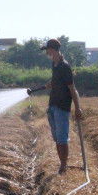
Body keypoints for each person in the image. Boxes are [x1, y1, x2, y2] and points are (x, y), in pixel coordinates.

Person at [41, 38, 82, 175]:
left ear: (52, 50)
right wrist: (50, 83)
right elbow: (57, 80)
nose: (46, 52)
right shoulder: (55, 64)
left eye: (47, 50)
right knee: (57, 139)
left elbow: (73, 89)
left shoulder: (65, 67)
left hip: (62, 107)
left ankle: (63, 167)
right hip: (52, 105)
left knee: (62, 140)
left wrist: (77, 108)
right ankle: (62, 165)